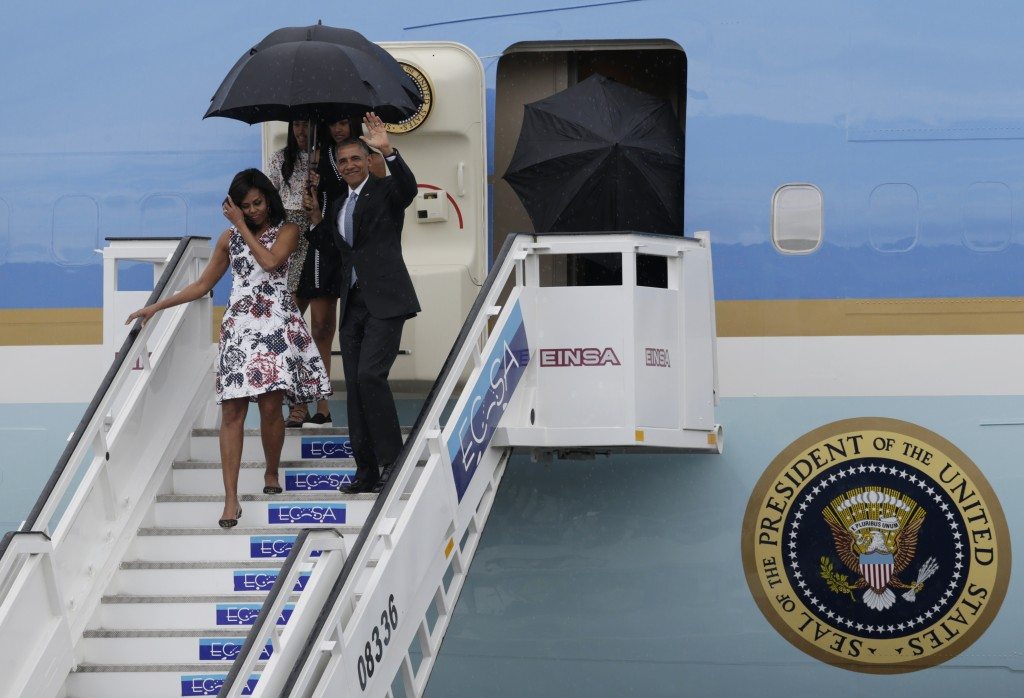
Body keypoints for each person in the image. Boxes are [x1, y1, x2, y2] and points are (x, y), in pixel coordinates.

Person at [127, 169, 331, 526]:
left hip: (273, 325)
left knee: (270, 408)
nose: (252, 210)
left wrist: (241, 227)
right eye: (245, 206)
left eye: (258, 203)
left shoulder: (288, 230)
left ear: (269, 199)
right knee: (232, 412)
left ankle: (271, 472)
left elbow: (269, 262)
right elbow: (203, 284)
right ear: (233, 205)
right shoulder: (228, 239)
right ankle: (230, 500)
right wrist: (156, 307)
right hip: (239, 328)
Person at [305, 112, 419, 494]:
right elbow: (334, 249)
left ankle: (393, 463)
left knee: (371, 375)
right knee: (353, 386)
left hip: (387, 300)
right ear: (337, 168)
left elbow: (408, 189)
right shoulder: (338, 204)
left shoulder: (386, 191)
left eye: (356, 158)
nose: (350, 165)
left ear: (368, 161)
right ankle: (366, 470)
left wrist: (389, 151)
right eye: (343, 161)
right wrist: (315, 217)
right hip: (352, 305)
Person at [284, 117, 388, 428]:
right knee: (289, 329)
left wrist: (321, 182)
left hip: (328, 247)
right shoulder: (290, 158)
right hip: (299, 245)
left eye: (343, 123)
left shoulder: (345, 160)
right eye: (334, 124)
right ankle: (297, 405)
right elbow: (275, 202)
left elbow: (378, 185)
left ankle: (322, 406)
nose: (338, 129)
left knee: (322, 332)